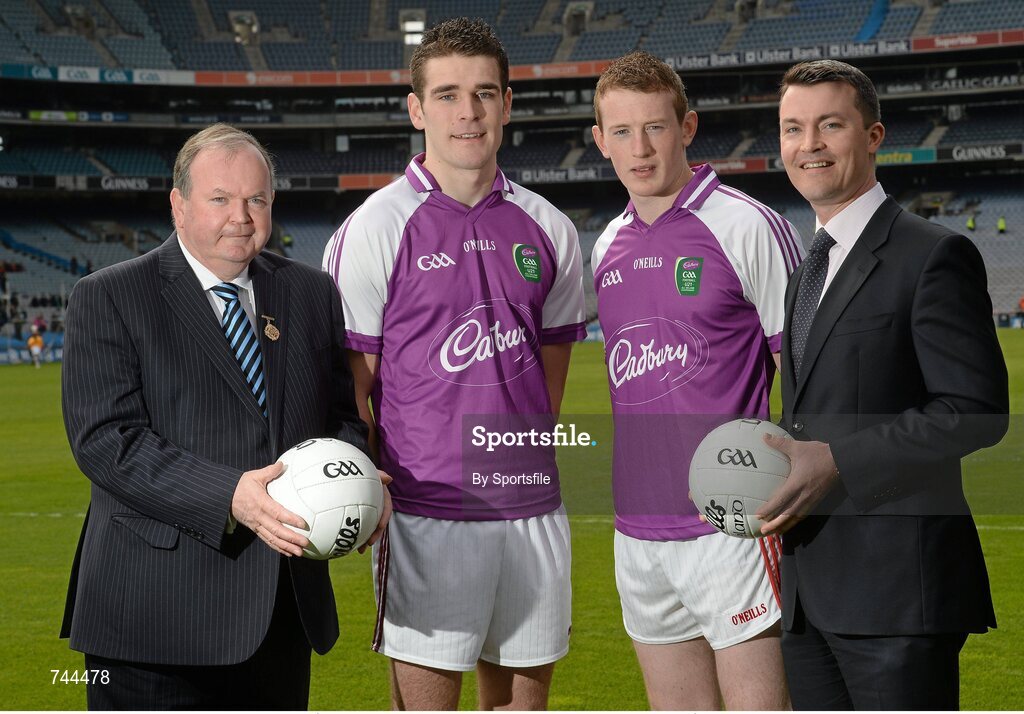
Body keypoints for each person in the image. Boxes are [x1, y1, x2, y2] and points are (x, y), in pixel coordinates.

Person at [61, 123, 389, 710]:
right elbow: (105, 441)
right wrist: (229, 494)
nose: (241, 216)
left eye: (256, 199)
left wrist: (359, 474)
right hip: (155, 617)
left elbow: (340, 415)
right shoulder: (108, 296)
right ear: (178, 204)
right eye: (220, 199)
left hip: (280, 609)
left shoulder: (310, 291)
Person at [323, 18, 585, 710]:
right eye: (445, 95)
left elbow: (549, 380)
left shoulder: (550, 227)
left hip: (533, 510)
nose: (467, 112)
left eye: (483, 93)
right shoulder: (376, 228)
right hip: (429, 513)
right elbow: (354, 393)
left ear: (506, 103)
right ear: (416, 109)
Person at [759, 59, 1008, 709]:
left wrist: (837, 459)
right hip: (809, 593)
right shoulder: (806, 267)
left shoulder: (932, 253)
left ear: (873, 136)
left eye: (829, 125)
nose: (807, 144)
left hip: (897, 596)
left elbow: (976, 410)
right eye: (792, 128)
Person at [589, 51, 802, 710]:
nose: (640, 147)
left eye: (655, 126)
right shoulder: (605, 247)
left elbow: (809, 371)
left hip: (731, 527)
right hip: (638, 534)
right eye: (621, 132)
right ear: (599, 141)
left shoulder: (747, 226)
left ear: (687, 126)